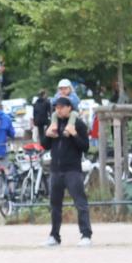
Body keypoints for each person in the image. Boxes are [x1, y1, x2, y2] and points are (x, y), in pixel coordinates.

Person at [40, 97, 92, 247]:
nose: (59, 109)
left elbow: (85, 147)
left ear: (69, 107)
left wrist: (74, 134)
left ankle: (86, 235)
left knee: (80, 203)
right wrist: (47, 135)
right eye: (56, 107)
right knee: (55, 205)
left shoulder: (79, 124)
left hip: (72, 170)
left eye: (62, 107)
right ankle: (54, 236)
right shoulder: (54, 123)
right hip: (55, 170)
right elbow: (45, 146)